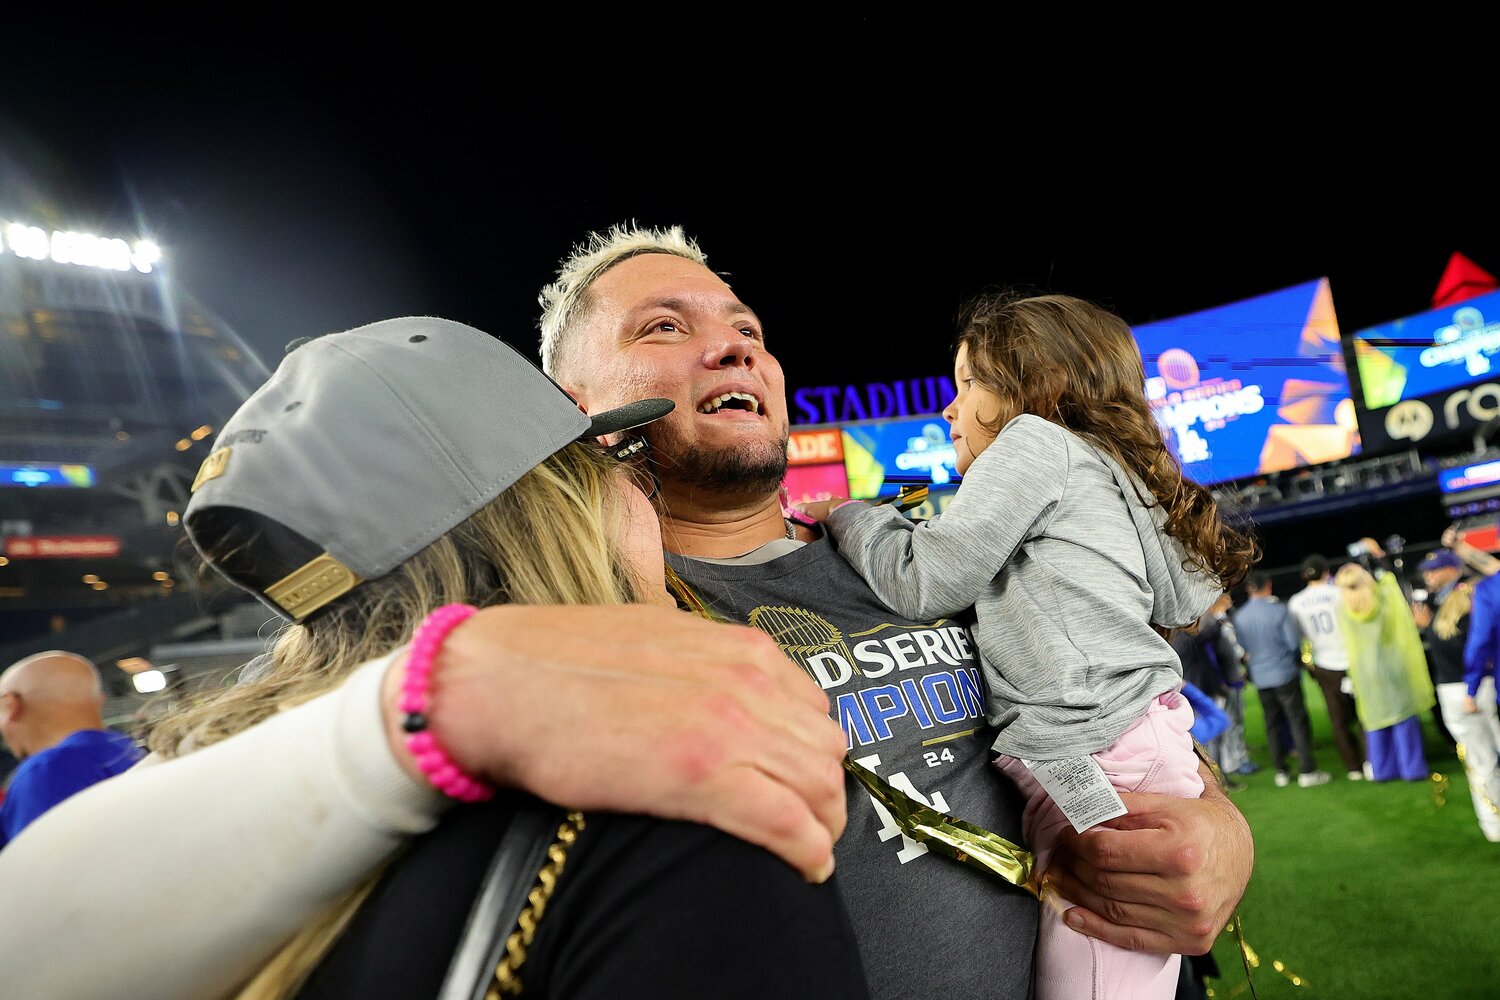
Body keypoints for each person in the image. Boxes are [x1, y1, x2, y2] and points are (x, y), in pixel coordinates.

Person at [0, 226, 1255, 999]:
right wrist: (431, 697)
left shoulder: (914, 555)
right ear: (560, 405)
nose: (734, 350)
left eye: (747, 329)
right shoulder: (575, 624)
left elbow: (1105, 688)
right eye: (667, 327)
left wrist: (1216, 830)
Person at [798, 291, 1258, 999]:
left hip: (1100, 754)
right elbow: (1177, 598)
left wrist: (853, 516)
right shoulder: (1105, 465)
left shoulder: (1036, 442)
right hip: (1119, 746)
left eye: (968, 383)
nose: (950, 410)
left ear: (1032, 383)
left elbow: (927, 581)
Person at [0, 650, 142, 848]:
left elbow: (38, 872)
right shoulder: (130, 750)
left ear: (12, 705)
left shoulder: (45, 771)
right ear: (98, 700)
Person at [1334, 539, 1435, 783]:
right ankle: (1412, 768)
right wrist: (1379, 555)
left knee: (1375, 719)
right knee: (1403, 716)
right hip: (1393, 665)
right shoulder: (1382, 599)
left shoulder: (1341, 607)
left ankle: (1382, 768)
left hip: (1364, 670)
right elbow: (1393, 581)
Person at [1417, 549, 1500, 840]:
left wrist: (1430, 630)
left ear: (1452, 569)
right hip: (1464, 688)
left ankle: (1494, 825)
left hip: (1470, 688)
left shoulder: (1468, 595)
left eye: (1434, 569)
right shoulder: (1442, 599)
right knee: (1485, 760)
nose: (1428, 575)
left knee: (1483, 762)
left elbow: (1471, 649)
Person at [1232, 572, 1332, 788]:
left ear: (1249, 589)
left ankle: (1281, 771)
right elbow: (1293, 643)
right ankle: (1307, 770)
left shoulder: (1240, 616)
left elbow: (1244, 648)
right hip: (1284, 673)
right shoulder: (1278, 610)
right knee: (1297, 720)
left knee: (1272, 723)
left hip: (1261, 676)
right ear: (1268, 586)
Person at [1287, 554, 1368, 780]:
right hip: (1352, 658)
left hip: (1324, 663)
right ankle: (1371, 761)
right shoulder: (1339, 593)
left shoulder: (1296, 601)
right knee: (1364, 714)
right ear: (1326, 571)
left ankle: (1354, 767)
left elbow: (1298, 636)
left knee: (1338, 719)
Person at [1173, 594, 1254, 780]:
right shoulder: (1194, 634)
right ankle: (1217, 777)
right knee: (1211, 734)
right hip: (1200, 690)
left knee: (1205, 735)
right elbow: (1212, 647)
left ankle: (1214, 776)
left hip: (1192, 689)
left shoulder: (1177, 634)